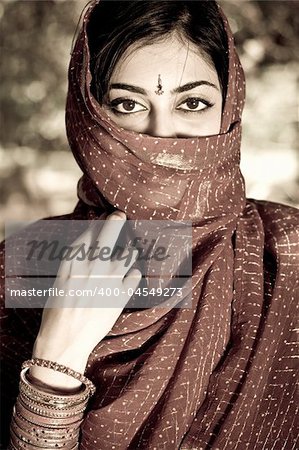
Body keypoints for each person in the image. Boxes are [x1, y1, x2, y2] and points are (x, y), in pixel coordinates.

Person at [1, 1, 298, 449]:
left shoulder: (288, 254)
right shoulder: (23, 265)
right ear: (89, 118)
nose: (162, 139)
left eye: (193, 103)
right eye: (127, 104)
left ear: (229, 108)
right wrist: (54, 361)